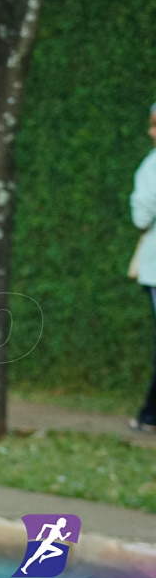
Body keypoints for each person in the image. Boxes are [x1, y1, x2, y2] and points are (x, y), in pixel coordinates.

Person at [129, 102, 156, 434]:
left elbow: (141, 215)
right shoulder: (150, 166)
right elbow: (141, 216)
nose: (152, 132)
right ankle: (149, 414)